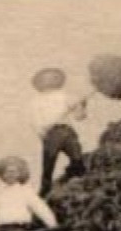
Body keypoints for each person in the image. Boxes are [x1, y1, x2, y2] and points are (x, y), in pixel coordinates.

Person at [30, 68, 88, 198]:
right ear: (40, 82)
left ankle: (80, 179)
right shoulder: (37, 100)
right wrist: (42, 133)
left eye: (54, 77)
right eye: (46, 77)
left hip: (66, 130)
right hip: (51, 133)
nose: (51, 80)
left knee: (77, 157)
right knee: (49, 162)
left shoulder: (66, 96)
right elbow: (35, 120)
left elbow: (79, 117)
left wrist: (82, 106)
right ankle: (45, 189)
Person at [0, 156, 58, 231]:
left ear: (19, 174)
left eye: (13, 172)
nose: (10, 175)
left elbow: (40, 208)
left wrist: (53, 225)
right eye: (6, 172)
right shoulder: (0, 194)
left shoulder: (25, 191)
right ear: (2, 175)